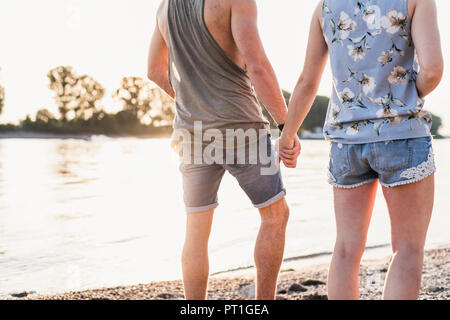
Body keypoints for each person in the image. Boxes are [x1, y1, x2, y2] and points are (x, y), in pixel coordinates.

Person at [279, 0, 443, 300]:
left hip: (346, 143)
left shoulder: (325, 8)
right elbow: (432, 71)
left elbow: (306, 81)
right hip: (401, 136)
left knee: (345, 249)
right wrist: (403, 99)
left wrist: (287, 135)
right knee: (407, 250)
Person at [147, 0, 301, 300]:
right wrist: (286, 125)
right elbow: (257, 65)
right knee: (274, 215)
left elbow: (154, 70)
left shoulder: (165, 7)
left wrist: (195, 101)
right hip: (243, 129)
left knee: (196, 229)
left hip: (191, 135)